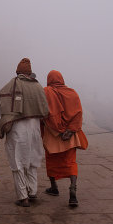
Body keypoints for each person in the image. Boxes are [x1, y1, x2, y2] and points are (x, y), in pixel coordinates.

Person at [0, 58, 49, 207]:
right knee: (32, 161)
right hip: (34, 128)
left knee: (18, 162)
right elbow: (45, 110)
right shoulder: (38, 86)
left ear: (17, 71)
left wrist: (4, 123)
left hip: (18, 129)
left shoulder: (15, 83)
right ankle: (32, 192)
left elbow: (4, 100)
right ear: (30, 72)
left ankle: (23, 197)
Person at [41, 70, 88, 207]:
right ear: (61, 79)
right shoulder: (72, 93)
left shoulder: (47, 91)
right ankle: (73, 189)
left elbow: (44, 112)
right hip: (70, 136)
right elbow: (78, 113)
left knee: (51, 161)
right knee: (70, 162)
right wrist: (71, 129)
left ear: (49, 80)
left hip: (53, 135)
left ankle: (54, 187)